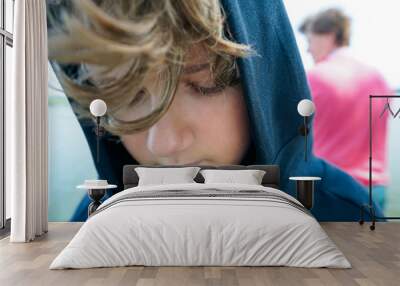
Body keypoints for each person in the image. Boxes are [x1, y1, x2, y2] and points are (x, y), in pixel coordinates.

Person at [47, 0, 383, 222]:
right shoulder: (95, 217)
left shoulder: (344, 216)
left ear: (266, 79)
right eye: (125, 96)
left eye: (206, 85)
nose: (161, 144)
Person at [299, 8, 392, 210]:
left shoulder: (314, 78)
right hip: (375, 189)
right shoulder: (378, 78)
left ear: (328, 35)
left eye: (310, 40)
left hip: (333, 190)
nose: (308, 49)